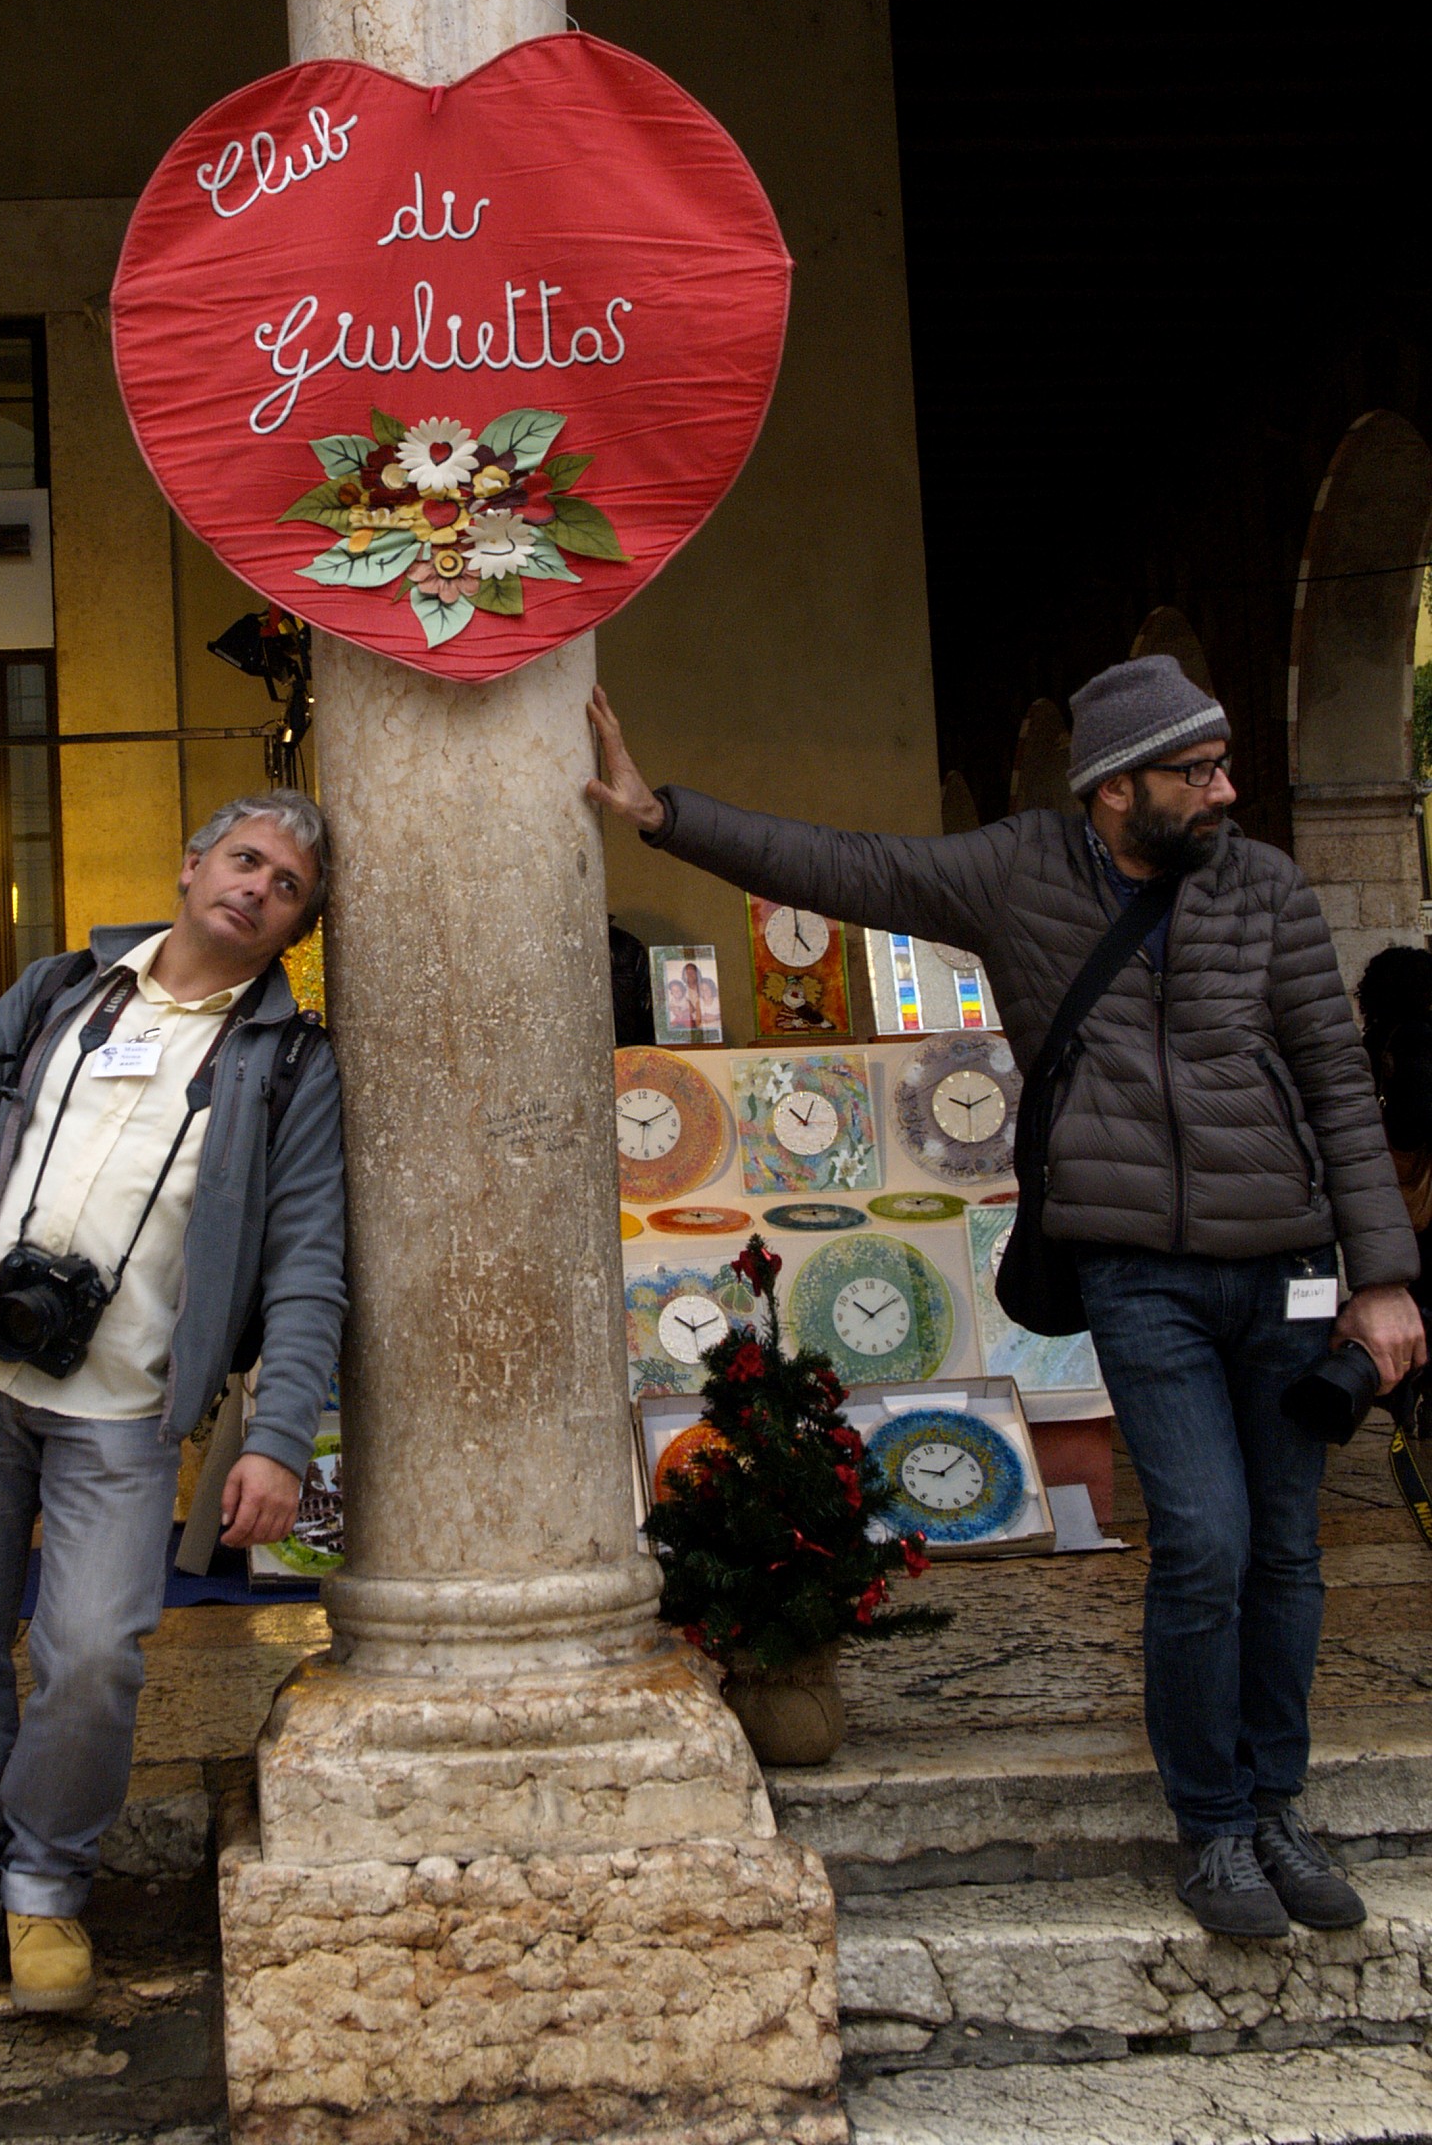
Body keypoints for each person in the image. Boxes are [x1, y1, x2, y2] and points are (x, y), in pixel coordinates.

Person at [586, 657, 1425, 1940]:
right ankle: (1212, 1827)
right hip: (1135, 1268)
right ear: (1114, 789)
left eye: (1222, 764)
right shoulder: (1018, 872)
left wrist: (1383, 1280)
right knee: (1204, 1540)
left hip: (1292, 1271)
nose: (1226, 789)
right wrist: (664, 817)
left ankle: (1276, 1808)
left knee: (1288, 1552)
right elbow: (846, 869)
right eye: (1197, 773)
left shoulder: (1264, 887)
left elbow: (1338, 1085)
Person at [0, 792, 345, 2025]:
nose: (257, 887)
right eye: (245, 860)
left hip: (121, 1413)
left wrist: (278, 1435)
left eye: (287, 885)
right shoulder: (61, 990)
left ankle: (46, 1887)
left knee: (89, 1655)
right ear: (191, 867)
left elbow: (308, 1264)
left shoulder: (288, 1061)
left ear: (297, 924)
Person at [1356, 943, 1432, 1314]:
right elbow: (1415, 1119)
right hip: (1421, 1183)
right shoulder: (1421, 1039)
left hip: (1378, 1185)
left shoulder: (1371, 1041)